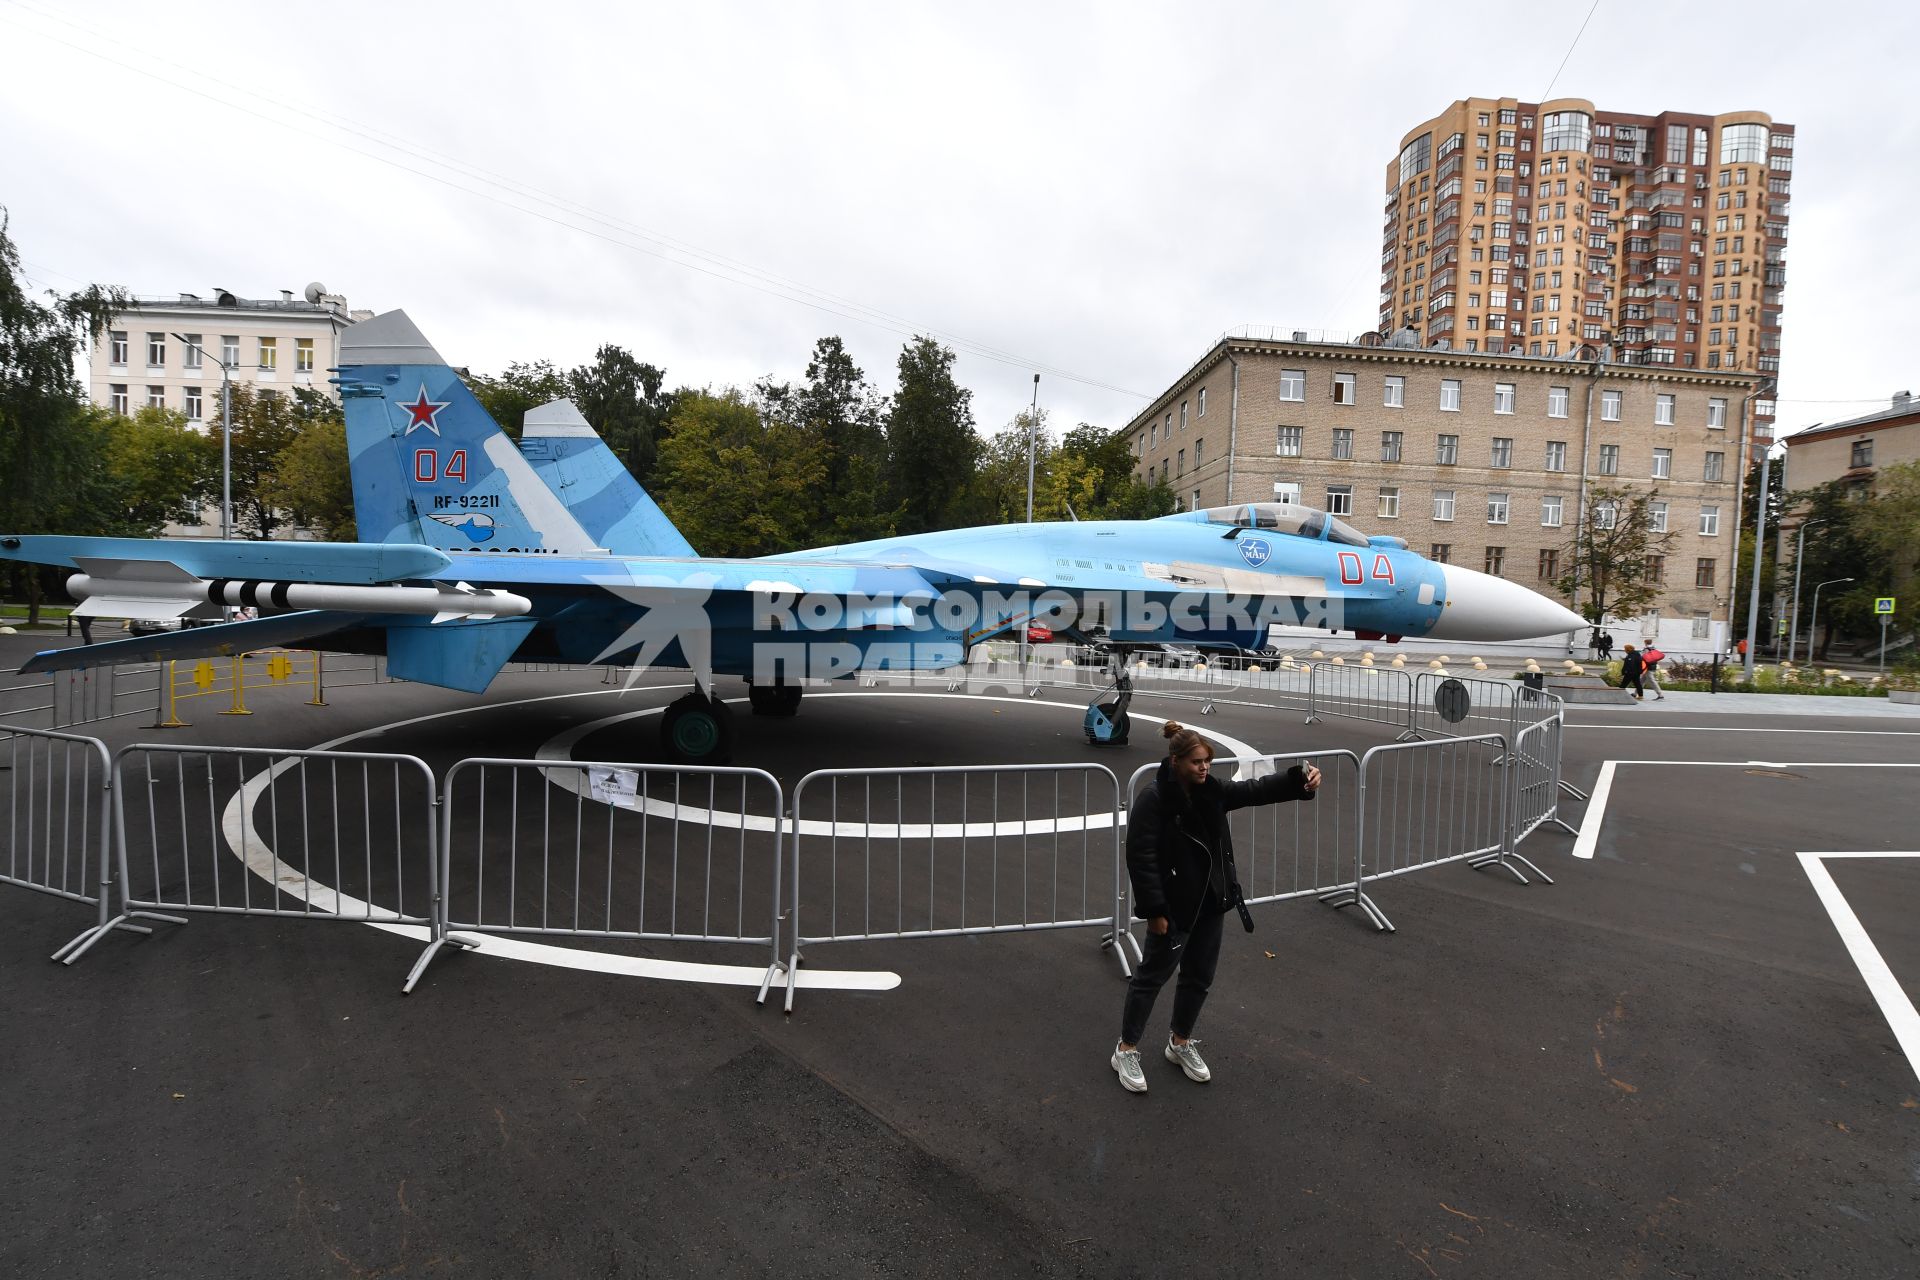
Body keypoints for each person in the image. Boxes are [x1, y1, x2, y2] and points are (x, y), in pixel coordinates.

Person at [1111, 721, 1321, 1093]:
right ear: (1175, 761)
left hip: (1212, 901)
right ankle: (1125, 1049)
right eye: (1196, 762)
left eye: (1207, 761)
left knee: (1199, 978)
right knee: (1151, 978)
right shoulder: (1155, 799)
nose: (1204, 768)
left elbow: (1254, 790)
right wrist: (1155, 910)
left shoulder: (1212, 791)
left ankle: (1179, 1042)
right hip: (1175, 908)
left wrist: (1297, 782)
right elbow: (1140, 858)